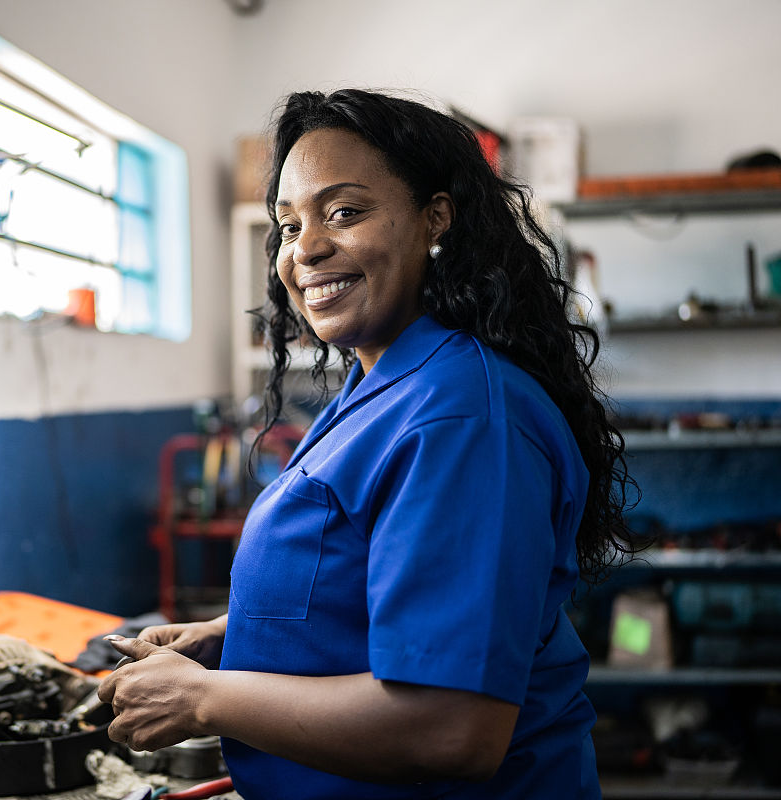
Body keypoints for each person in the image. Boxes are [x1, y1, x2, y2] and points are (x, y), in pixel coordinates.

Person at [98, 88, 636, 799]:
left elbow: (453, 727)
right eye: (289, 226)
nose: (307, 248)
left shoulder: (461, 416)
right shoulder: (384, 379)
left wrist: (207, 699)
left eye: (344, 212)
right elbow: (365, 571)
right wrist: (234, 636)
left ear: (434, 218)